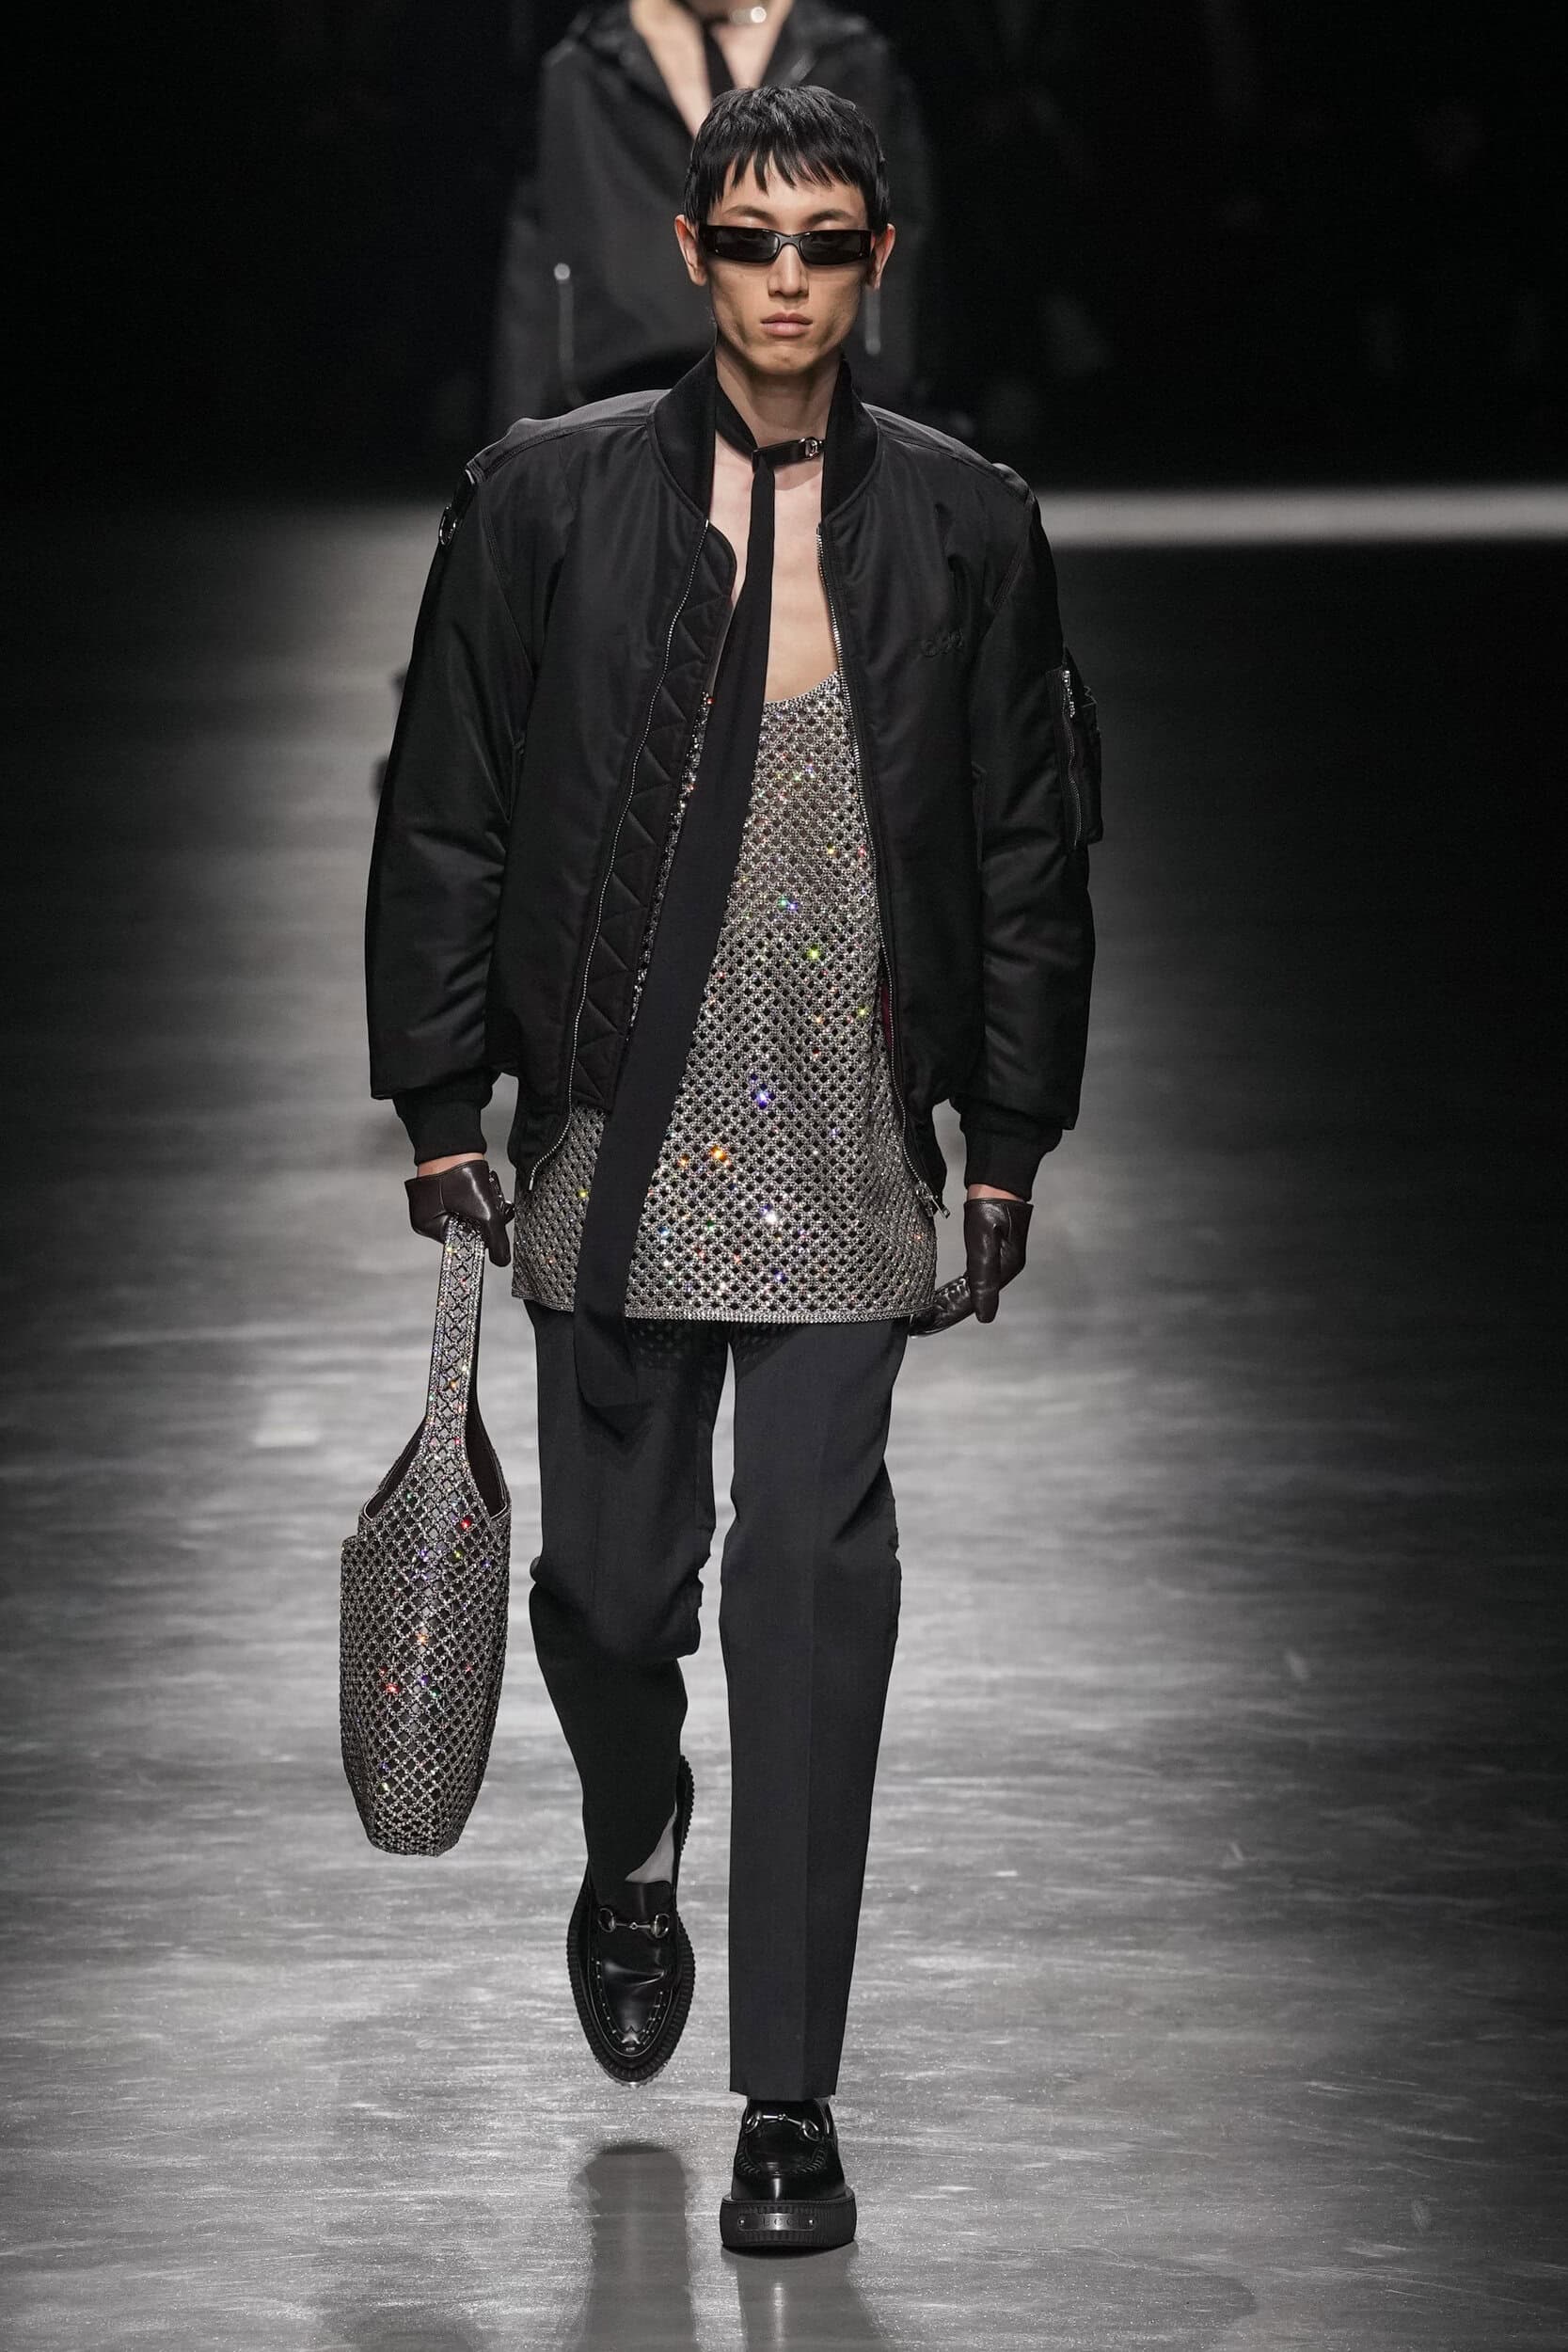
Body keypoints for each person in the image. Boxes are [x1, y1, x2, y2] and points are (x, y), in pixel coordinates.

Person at [366, 82, 1099, 2254]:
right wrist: (437, 1098)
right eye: (753, 241)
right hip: (615, 1127)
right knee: (606, 1596)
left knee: (809, 1584)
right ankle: (635, 1826)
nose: (788, 281)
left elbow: (1029, 841)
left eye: (826, 244)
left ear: (876, 264)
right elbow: (447, 799)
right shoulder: (542, 499)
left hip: (849, 1137)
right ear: (691, 255)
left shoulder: (964, 522)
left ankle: (789, 2096)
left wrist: (1008, 1136)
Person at [489, 0, 932, 426]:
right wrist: (513, 447)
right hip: (618, 401)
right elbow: (532, 272)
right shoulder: (581, 71)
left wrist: (891, 408)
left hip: (831, 403)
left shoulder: (852, 58)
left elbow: (903, 256)